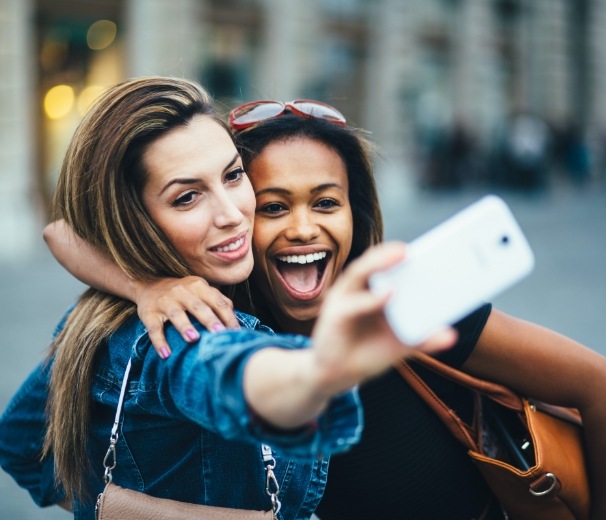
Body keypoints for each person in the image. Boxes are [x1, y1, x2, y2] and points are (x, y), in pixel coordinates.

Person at [11, 99, 606, 519]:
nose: (302, 229)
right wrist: (144, 285)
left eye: (326, 203)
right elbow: (64, 231)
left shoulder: (401, 301)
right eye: (274, 206)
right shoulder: (205, 322)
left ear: (354, 217)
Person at [0, 81, 456, 520]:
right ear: (133, 219)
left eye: (233, 175)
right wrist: (318, 372)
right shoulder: (179, 330)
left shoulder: (99, 313)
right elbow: (225, 372)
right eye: (187, 197)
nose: (232, 213)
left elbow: (20, 444)